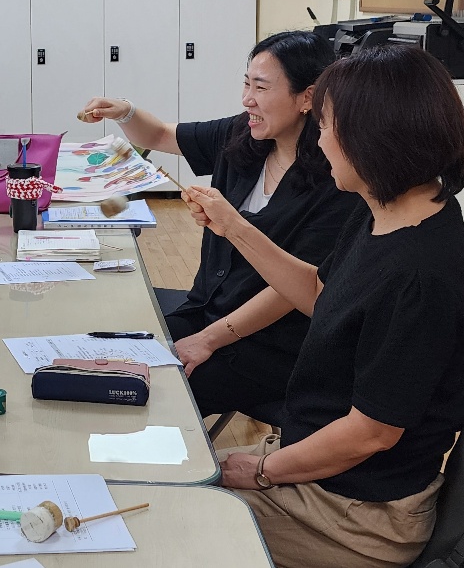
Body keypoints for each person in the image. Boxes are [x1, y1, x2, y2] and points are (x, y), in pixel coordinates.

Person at [185, 44, 464, 568]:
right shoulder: (388, 208)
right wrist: (233, 226)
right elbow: (320, 293)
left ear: (373, 138)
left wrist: (263, 471)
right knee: (166, 478)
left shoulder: (416, 277)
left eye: (326, 127)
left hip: (359, 515)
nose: (319, 142)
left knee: (170, 520)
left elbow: (372, 432)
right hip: (318, 469)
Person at [79, 31, 360, 418]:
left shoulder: (337, 181)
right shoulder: (242, 134)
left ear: (307, 98)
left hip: (269, 344)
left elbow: (297, 289)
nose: (247, 99)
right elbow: (159, 134)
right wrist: (125, 111)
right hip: (206, 311)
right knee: (104, 358)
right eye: (247, 84)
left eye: (261, 87)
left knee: (146, 392)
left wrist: (208, 340)